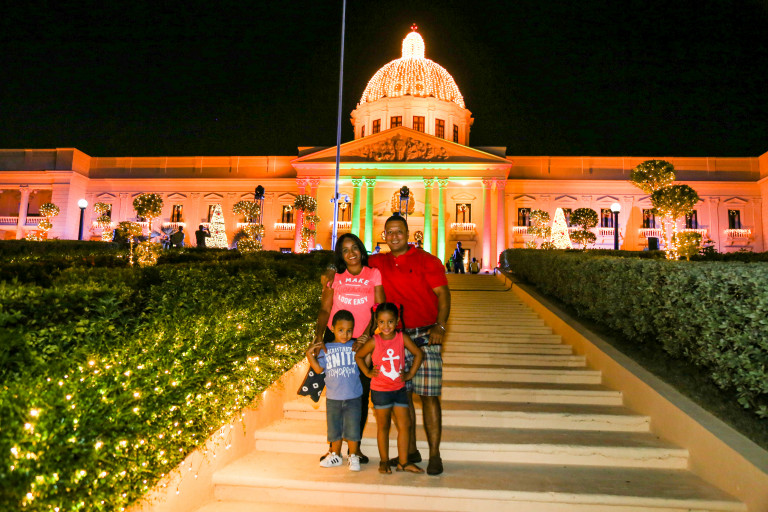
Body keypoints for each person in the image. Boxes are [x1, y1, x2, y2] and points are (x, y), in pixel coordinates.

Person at [369, 214, 450, 476]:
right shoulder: (378, 261)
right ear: (384, 235)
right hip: (395, 338)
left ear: (407, 233)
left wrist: (440, 326)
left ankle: (435, 455)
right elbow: (350, 261)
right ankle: (411, 451)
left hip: (426, 336)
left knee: (429, 396)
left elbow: (443, 294)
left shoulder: (427, 261)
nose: (394, 236)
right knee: (402, 398)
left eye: (399, 231)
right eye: (389, 232)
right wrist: (329, 271)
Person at [313, 233, 385, 464]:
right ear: (341, 255)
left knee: (360, 395)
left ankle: (356, 448)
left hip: (361, 343)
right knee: (336, 394)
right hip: (335, 341)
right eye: (345, 250)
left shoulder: (373, 274)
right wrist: (318, 337)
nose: (351, 253)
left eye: (354, 248)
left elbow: (379, 307)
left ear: (361, 250)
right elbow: (325, 309)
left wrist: (367, 334)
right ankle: (333, 448)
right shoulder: (335, 276)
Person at [355, 303, 424, 474]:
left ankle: (403, 462)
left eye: (390, 321)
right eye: (381, 322)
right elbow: (359, 356)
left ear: (397, 320)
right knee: (383, 426)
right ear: (376, 322)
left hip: (399, 389)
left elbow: (418, 353)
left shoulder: (402, 338)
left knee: (405, 425)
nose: (386, 326)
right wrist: (367, 372)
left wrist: (410, 374)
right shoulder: (374, 341)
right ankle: (384, 461)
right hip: (380, 391)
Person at [306, 310, 363, 471]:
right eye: (341, 330)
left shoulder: (355, 346)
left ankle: (353, 456)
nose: (345, 334)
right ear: (332, 329)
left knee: (353, 427)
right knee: (334, 429)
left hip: (353, 396)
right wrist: (309, 355)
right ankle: (336, 455)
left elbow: (365, 362)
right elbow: (319, 369)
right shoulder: (326, 348)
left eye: (349, 330)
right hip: (333, 397)